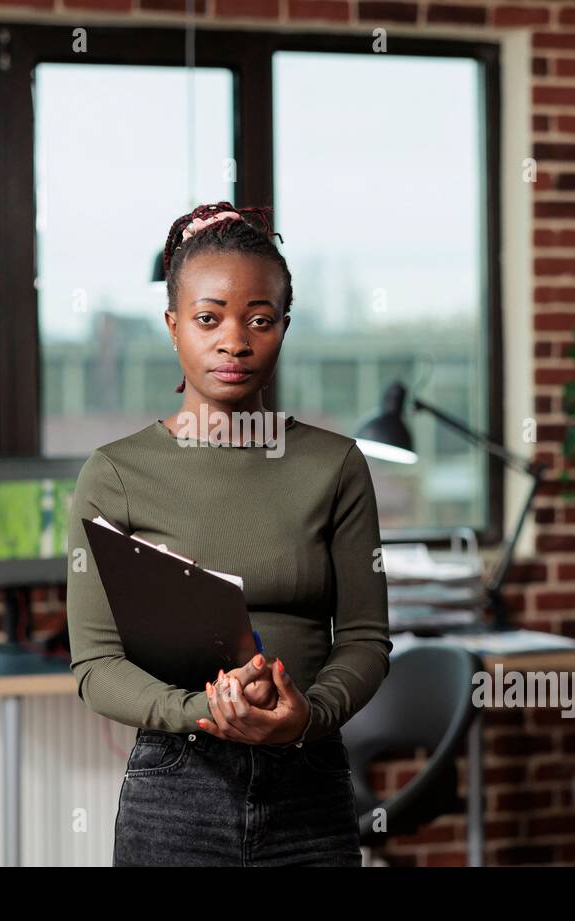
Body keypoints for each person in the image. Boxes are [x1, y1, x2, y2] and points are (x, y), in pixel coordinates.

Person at [66, 201, 391, 866]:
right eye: (208, 318)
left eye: (260, 320)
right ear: (172, 325)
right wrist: (202, 711)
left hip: (311, 787)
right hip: (178, 791)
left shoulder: (335, 466)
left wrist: (308, 715)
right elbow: (95, 667)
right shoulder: (116, 475)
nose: (235, 341)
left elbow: (365, 639)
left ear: (284, 326)